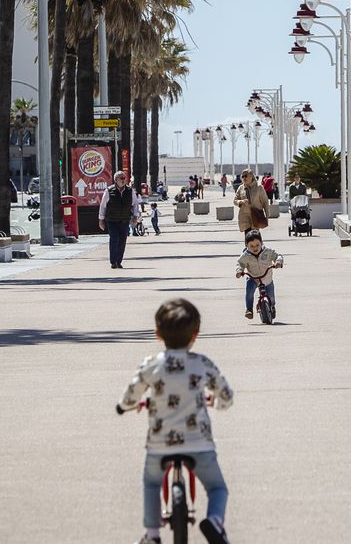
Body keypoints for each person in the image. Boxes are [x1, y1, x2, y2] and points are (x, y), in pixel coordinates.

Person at [117, 299, 234, 544]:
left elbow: (132, 393)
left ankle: (152, 534)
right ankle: (214, 521)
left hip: (160, 445)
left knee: (151, 484)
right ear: (196, 333)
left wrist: (125, 406)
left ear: (158, 333)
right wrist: (216, 403)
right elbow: (226, 396)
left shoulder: (152, 365)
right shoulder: (202, 364)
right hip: (199, 443)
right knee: (217, 488)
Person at [235, 229, 283, 320]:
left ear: (261, 242)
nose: (255, 248)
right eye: (251, 246)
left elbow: (277, 256)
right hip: (253, 278)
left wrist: (278, 262)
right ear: (247, 245)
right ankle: (249, 309)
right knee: (249, 292)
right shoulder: (246, 256)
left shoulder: (267, 252)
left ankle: (272, 307)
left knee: (271, 297)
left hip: (267, 278)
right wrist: (239, 271)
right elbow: (240, 263)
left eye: (257, 245)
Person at [98, 171, 142, 269]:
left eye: (124, 178)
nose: (123, 180)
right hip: (112, 220)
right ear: (115, 180)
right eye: (120, 178)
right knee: (114, 239)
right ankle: (113, 261)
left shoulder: (130, 191)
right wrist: (101, 219)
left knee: (122, 241)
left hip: (124, 220)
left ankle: (119, 261)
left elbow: (135, 204)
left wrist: (135, 217)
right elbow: (103, 206)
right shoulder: (109, 191)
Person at [234, 169, 270, 235]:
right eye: (242, 176)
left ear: (251, 176)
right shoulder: (241, 188)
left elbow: (265, 202)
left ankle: (258, 245)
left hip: (256, 215)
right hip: (245, 215)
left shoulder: (259, 187)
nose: (244, 178)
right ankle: (247, 245)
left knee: (256, 235)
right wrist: (241, 201)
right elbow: (235, 201)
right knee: (247, 234)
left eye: (246, 176)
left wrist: (267, 215)